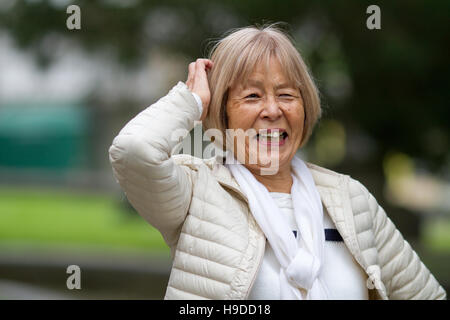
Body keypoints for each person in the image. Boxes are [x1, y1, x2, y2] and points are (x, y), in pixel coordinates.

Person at [108, 23, 446, 300]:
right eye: (252, 96)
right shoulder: (197, 191)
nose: (273, 110)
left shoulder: (350, 197)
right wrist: (191, 100)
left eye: (286, 94)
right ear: (222, 110)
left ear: (305, 106)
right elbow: (134, 150)